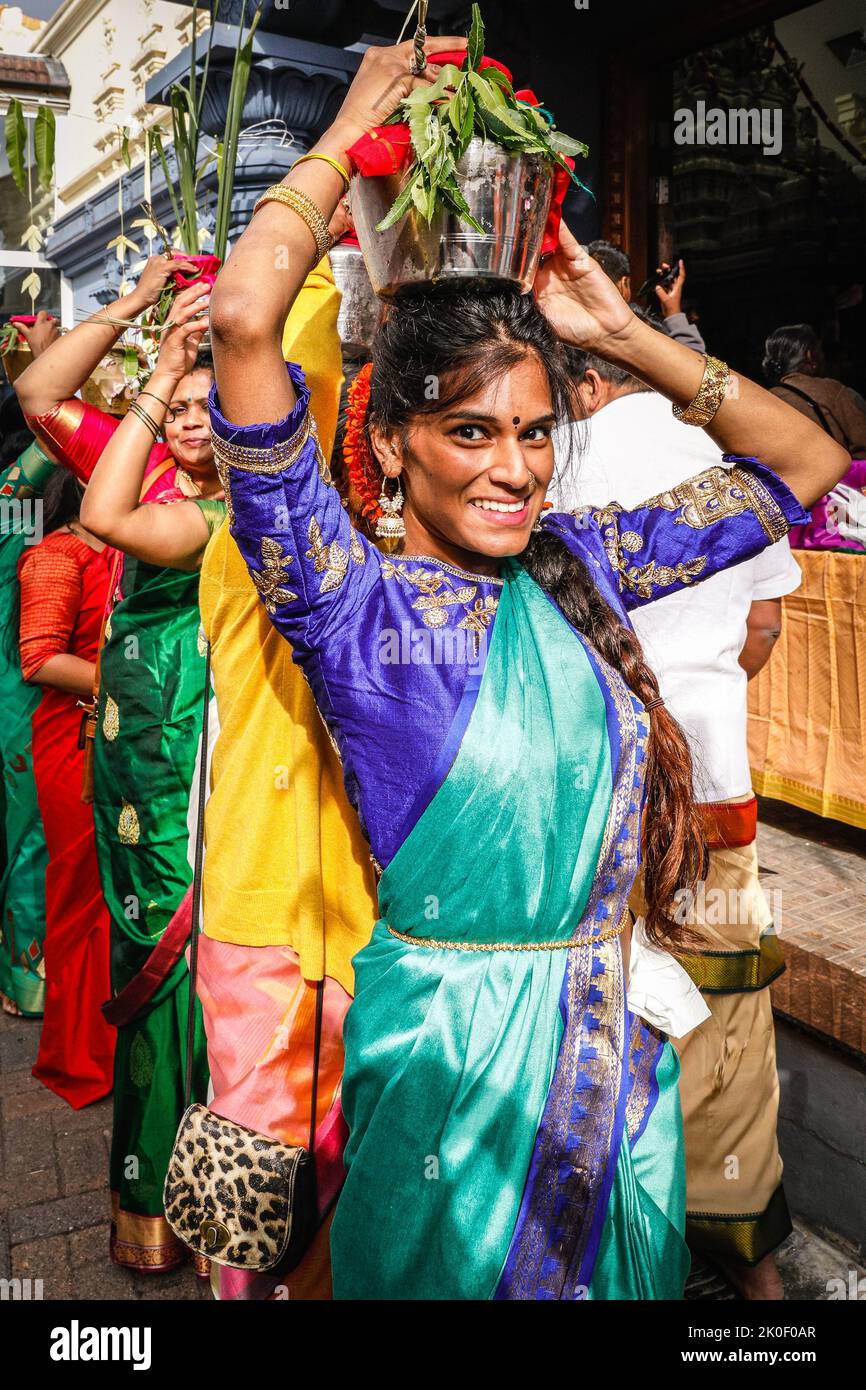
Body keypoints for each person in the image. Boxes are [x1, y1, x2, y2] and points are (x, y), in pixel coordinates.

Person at [206, 37, 847, 1299]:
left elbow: (800, 468)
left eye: (534, 431)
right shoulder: (344, 602)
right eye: (469, 431)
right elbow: (241, 319)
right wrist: (344, 131)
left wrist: (632, 333)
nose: (512, 467)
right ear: (389, 446)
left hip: (614, 1063)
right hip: (448, 1073)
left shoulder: (585, 565)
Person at [80, 255, 379, 1301]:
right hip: (242, 882)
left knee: (345, 1183)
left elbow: (304, 384)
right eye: (195, 414)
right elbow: (104, 512)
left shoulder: (335, 543)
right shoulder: (221, 540)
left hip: (352, 907)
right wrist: (162, 376)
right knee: (259, 1190)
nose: (206, 426)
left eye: (229, 407)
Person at [550, 343, 801, 1299]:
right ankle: (758, 1281)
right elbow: (764, 628)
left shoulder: (555, 457)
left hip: (601, 790)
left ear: (575, 373)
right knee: (730, 1019)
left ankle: (619, 1243)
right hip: (716, 781)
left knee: (605, 1008)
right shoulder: (727, 462)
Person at [15, 263, 219, 1275]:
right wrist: (140, 315)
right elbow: (40, 396)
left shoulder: (271, 488)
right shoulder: (138, 482)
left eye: (207, 403)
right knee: (152, 959)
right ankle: (154, 1200)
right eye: (176, 403)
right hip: (139, 757)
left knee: (223, 972)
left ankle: (228, 1196)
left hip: (233, 761)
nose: (188, 419)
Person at [17, 469, 115, 1107]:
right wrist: (135, 677)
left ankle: (122, 1041)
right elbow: (41, 658)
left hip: (128, 735)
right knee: (81, 891)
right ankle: (78, 1057)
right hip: (74, 742)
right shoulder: (55, 555)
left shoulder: (137, 547)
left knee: (127, 889)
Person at [0, 319, 60, 1017]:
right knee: (28, 834)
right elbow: (52, 437)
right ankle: (27, 981)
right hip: (20, 694)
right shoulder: (12, 514)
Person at [764, 324, 866, 551]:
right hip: (837, 513)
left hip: (788, 516)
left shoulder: (762, 401)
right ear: (810, 355)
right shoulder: (833, 391)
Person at [587, 239, 706, 352]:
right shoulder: (637, 336)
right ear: (624, 284)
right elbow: (694, 367)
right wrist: (674, 313)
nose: (695, 317)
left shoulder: (577, 333)